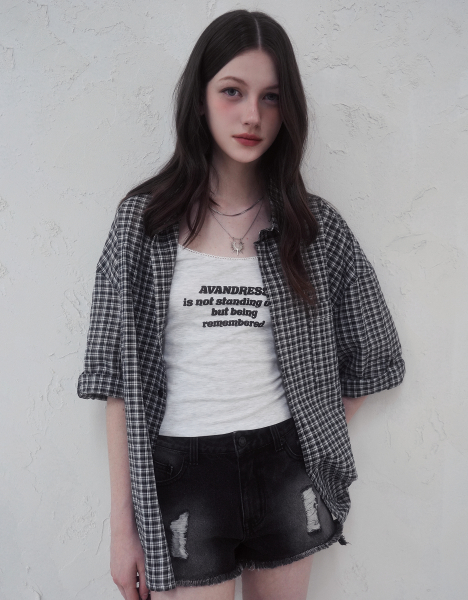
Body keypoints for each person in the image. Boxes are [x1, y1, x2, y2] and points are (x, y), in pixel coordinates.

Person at [77, 9, 405, 600]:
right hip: (184, 474)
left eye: (271, 97)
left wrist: (311, 436)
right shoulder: (141, 226)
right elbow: (116, 382)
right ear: (200, 99)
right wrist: (122, 528)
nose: (252, 115)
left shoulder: (313, 228)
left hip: (284, 467)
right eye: (233, 91)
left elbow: (374, 352)